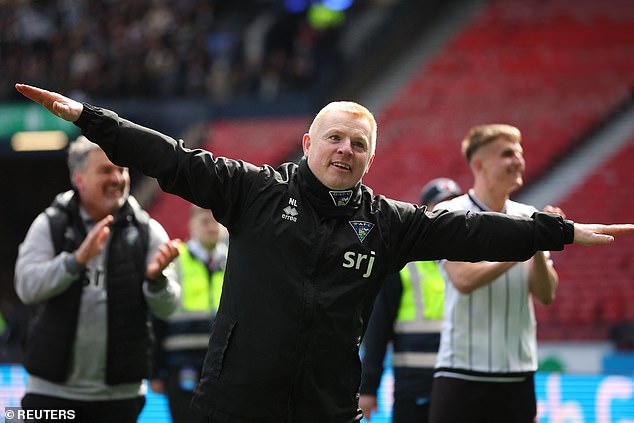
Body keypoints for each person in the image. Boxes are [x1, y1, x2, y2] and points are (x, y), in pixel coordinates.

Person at [14, 83, 634, 423]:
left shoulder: (387, 223)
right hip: (233, 408)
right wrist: (91, 118)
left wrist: (555, 232)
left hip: (326, 413)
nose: (344, 150)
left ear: (371, 157)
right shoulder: (253, 191)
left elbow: (469, 232)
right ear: (308, 142)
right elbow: (171, 159)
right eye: (334, 138)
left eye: (357, 144)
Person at [14, 135, 181, 423]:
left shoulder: (148, 230)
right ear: (79, 179)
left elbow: (170, 308)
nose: (117, 178)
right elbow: (26, 287)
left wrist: (157, 281)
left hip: (120, 397)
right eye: (106, 170)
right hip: (51, 392)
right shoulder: (51, 224)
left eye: (122, 170)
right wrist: (75, 261)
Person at [427, 124, 565, 423]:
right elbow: (463, 280)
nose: (518, 161)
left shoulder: (530, 216)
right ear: (479, 165)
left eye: (519, 153)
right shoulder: (449, 214)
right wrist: (525, 243)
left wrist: (539, 244)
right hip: (461, 371)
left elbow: (545, 295)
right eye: (507, 154)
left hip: (518, 373)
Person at [359, 177, 462, 422]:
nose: (448, 212)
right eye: (441, 206)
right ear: (426, 213)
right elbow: (378, 328)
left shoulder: (472, 262)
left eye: (455, 206)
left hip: (460, 386)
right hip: (413, 388)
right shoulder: (403, 264)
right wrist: (368, 387)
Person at [150, 205, 228, 423]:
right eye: (205, 221)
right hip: (182, 366)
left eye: (216, 221)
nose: (211, 227)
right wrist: (155, 371)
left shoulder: (235, 261)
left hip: (223, 368)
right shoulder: (175, 260)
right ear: (191, 225)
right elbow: (158, 316)